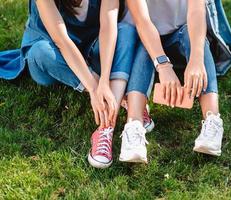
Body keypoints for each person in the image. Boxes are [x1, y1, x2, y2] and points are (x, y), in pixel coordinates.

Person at [0, 0, 155, 168]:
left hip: (90, 48)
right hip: (52, 56)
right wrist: (94, 88)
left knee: (126, 31)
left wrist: (104, 80)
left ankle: (105, 128)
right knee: (40, 51)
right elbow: (62, 41)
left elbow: (108, 28)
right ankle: (118, 100)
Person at [116, 0, 231, 163]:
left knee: (193, 39)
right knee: (143, 47)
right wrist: (163, 66)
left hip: (181, 30)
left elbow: (196, 12)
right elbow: (142, 21)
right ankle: (134, 126)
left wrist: (197, 59)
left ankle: (213, 121)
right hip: (145, 34)